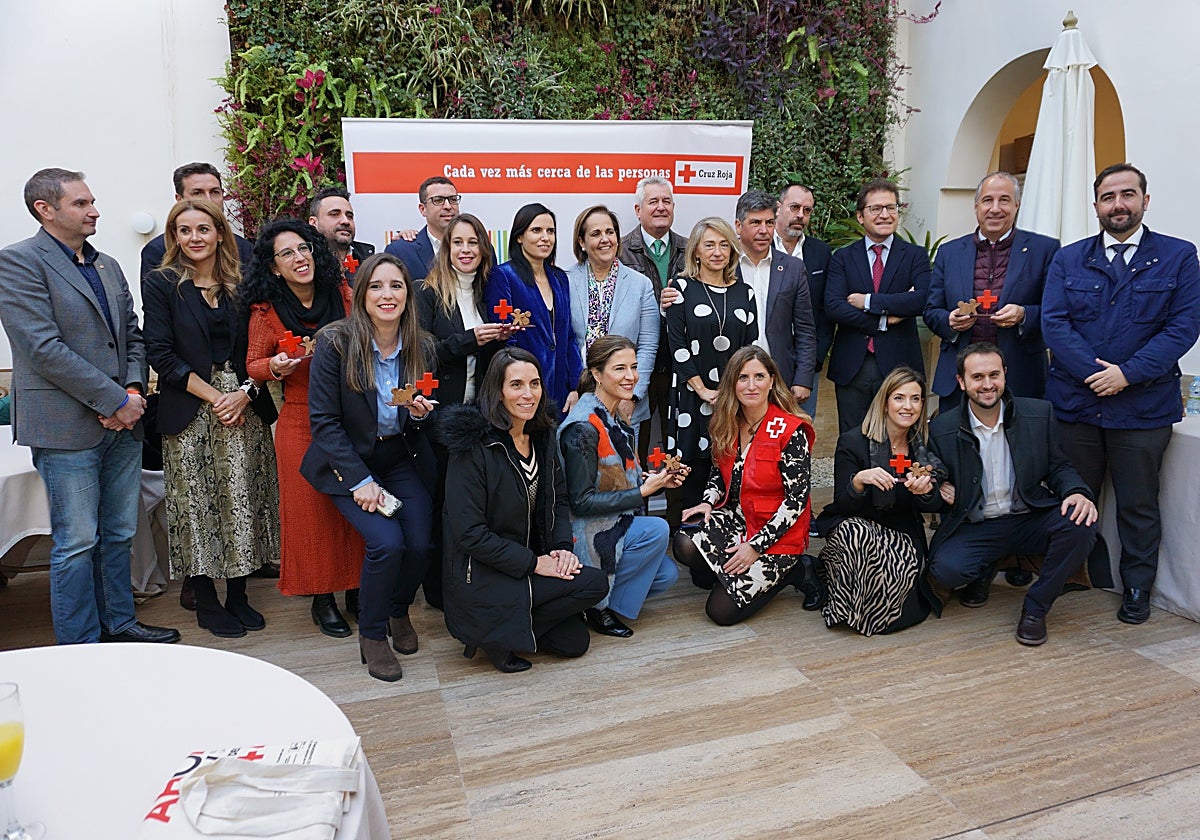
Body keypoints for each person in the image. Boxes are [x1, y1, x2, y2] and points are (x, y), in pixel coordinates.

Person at [0, 168, 179, 644]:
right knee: (77, 543)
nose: (94, 210)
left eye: (91, 201)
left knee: (119, 533)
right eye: (81, 203)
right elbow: (43, 348)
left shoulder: (108, 265)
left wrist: (135, 393)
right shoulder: (18, 263)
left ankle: (119, 625)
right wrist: (116, 399)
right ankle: (79, 647)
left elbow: (133, 338)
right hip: (65, 429)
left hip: (123, 423)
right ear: (46, 209)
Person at [1042, 163, 1200, 625]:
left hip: (1143, 407)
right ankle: (1069, 575)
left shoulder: (1178, 256)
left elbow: (1183, 327)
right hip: (1078, 404)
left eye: (1127, 195)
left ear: (1145, 201)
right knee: (1073, 497)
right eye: (1108, 197)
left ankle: (1136, 588)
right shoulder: (1069, 259)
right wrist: (1098, 374)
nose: (1118, 205)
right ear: (1096, 207)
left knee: (1138, 505)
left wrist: (1127, 375)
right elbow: (1054, 323)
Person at [142, 199, 280, 638]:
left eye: (204, 228)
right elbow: (160, 353)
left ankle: (238, 595)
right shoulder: (163, 283)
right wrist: (215, 397)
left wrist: (242, 394)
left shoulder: (245, 284)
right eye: (185, 231)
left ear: (220, 233)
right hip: (190, 410)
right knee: (196, 507)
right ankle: (205, 599)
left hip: (244, 407)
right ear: (175, 238)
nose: (195, 237)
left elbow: (259, 351)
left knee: (244, 503)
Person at [301, 253, 438, 681]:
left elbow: (408, 408)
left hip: (397, 457)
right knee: (387, 544)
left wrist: (417, 414)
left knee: (420, 543)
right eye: (376, 285)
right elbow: (323, 420)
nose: (387, 294)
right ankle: (373, 635)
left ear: (407, 295)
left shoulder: (422, 345)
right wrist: (358, 480)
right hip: (348, 463)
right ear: (361, 294)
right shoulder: (335, 343)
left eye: (396, 286)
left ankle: (398, 612)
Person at [438, 348, 609, 672]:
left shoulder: (542, 436)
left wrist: (560, 550)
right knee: (585, 600)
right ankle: (494, 631)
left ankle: (500, 633)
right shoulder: (473, 448)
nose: (528, 394)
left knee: (576, 639)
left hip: (531, 562)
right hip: (487, 574)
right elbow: (470, 534)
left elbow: (558, 499)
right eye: (516, 385)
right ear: (498, 391)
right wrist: (534, 563)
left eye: (534, 384)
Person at [927, 343, 1098, 646]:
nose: (988, 384)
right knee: (946, 570)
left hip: (1028, 516)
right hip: (978, 525)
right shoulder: (942, 428)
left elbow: (1059, 467)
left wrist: (1076, 491)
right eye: (977, 377)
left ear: (1005, 374)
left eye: (994, 374)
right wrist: (939, 486)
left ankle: (1036, 607)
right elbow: (937, 478)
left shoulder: (1038, 413)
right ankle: (986, 567)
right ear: (961, 382)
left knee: (1080, 522)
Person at [243, 217, 365, 638]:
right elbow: (253, 364)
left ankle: (357, 590)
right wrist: (275, 366)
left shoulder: (344, 294)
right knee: (311, 513)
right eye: (287, 253)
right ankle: (322, 599)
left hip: (350, 415)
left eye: (304, 248)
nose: (300, 258)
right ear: (274, 267)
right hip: (298, 418)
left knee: (354, 506)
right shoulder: (266, 310)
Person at [672, 346, 816, 624]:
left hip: (776, 535)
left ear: (772, 381)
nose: (751, 386)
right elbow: (718, 473)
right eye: (743, 378)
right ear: (732, 383)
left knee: (719, 612)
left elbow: (796, 502)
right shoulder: (726, 422)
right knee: (684, 543)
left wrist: (756, 547)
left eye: (759, 377)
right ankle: (733, 572)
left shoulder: (790, 430)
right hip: (739, 519)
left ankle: (797, 570)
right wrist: (708, 501)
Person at [415, 212, 514, 609]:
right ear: (446, 248)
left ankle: (473, 578)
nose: (466, 250)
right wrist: (468, 340)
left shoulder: (491, 291)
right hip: (442, 417)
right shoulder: (427, 292)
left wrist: (501, 337)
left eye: (473, 242)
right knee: (442, 502)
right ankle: (438, 591)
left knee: (477, 504)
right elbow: (422, 351)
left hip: (484, 416)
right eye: (458, 242)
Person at [558, 336, 682, 637]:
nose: (631, 377)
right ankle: (599, 609)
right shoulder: (583, 428)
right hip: (587, 529)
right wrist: (642, 492)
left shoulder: (615, 418)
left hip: (616, 519)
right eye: (620, 369)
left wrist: (656, 479)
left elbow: (613, 476)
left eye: (634, 367)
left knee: (666, 575)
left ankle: (598, 600)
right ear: (597, 374)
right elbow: (581, 502)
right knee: (657, 530)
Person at [813, 366, 943, 635]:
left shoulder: (923, 444)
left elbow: (935, 504)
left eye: (916, 398)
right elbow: (842, 504)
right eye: (899, 397)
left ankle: (875, 613)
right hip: (858, 524)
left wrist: (926, 492)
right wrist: (859, 481)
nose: (908, 406)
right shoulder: (853, 442)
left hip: (901, 530)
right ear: (884, 402)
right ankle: (850, 609)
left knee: (897, 570)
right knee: (855, 533)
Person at [924, 172, 1059, 405]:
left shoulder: (1044, 249)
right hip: (959, 380)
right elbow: (931, 310)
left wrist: (1024, 315)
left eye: (1004, 200)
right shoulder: (950, 252)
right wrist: (950, 321)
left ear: (1017, 205)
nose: (995, 208)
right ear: (976, 206)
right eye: (987, 200)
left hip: (1021, 378)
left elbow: (1056, 312)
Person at [663, 217, 759, 535]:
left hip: (732, 397)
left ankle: (723, 531)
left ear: (732, 252)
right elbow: (676, 346)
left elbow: (749, 348)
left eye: (723, 245)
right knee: (693, 463)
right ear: (696, 252)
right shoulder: (680, 289)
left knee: (727, 462)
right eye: (709, 244)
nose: (717, 252)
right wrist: (702, 389)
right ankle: (691, 536)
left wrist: (733, 392)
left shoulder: (745, 294)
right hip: (692, 395)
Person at [825, 178, 931, 433]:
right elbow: (834, 306)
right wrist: (884, 319)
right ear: (861, 216)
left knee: (899, 436)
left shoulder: (915, 256)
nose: (885, 214)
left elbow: (923, 299)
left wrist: (869, 301)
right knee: (852, 439)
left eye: (891, 208)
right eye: (876, 209)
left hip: (900, 362)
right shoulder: (842, 257)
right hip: (853, 364)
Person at [484, 203, 583, 415]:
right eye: (536, 230)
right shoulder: (503, 276)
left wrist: (576, 386)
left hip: (561, 393)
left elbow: (568, 338)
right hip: (523, 393)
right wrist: (520, 386)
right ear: (519, 236)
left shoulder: (559, 277)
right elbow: (504, 340)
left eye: (550, 231)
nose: (545, 237)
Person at [566, 205, 659, 427]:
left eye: (610, 232)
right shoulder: (565, 281)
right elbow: (562, 342)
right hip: (579, 399)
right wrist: (571, 388)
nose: (605, 239)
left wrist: (632, 395)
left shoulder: (640, 285)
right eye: (596, 234)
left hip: (625, 401)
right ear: (581, 242)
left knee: (622, 461)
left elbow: (648, 345)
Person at [619, 177, 688, 460]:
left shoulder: (690, 249)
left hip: (679, 366)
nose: (661, 207)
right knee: (634, 446)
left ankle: (678, 506)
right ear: (638, 210)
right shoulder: (620, 251)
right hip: (636, 368)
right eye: (653, 202)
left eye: (667, 201)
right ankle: (638, 505)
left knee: (679, 446)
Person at [733, 189, 816, 407]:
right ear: (738, 226)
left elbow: (805, 329)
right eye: (756, 223)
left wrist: (803, 379)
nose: (764, 230)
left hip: (779, 379)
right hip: (733, 378)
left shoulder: (792, 268)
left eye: (769, 223)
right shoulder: (725, 266)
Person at [775, 182, 834, 417]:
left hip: (806, 364)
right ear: (778, 208)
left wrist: (815, 361)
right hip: (763, 360)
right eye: (795, 207)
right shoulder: (759, 248)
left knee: (800, 432)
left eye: (807, 210)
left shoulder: (820, 253)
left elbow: (826, 310)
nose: (801, 215)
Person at [139, 162, 252, 280]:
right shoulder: (157, 251)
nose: (209, 200)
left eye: (214, 192)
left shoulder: (244, 249)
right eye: (197, 193)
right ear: (179, 199)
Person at [383, 176, 460, 281]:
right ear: (423, 209)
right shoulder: (401, 252)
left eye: (453, 199)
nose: (448, 206)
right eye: (438, 200)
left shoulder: (478, 248)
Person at [308, 186, 375, 281]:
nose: (345, 221)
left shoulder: (369, 259)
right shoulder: (306, 261)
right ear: (314, 222)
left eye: (349, 216)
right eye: (335, 214)